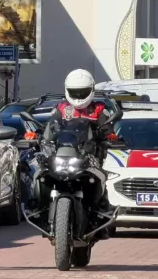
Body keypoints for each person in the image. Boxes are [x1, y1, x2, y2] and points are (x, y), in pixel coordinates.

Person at [41, 69, 120, 236]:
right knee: (42, 175)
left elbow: (107, 127)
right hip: (64, 154)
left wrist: (110, 135)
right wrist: (37, 136)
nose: (78, 96)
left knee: (99, 178)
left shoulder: (99, 109)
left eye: (82, 92)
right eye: (74, 92)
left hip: (90, 156)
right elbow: (51, 127)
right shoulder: (61, 108)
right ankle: (40, 209)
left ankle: (101, 213)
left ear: (91, 90)